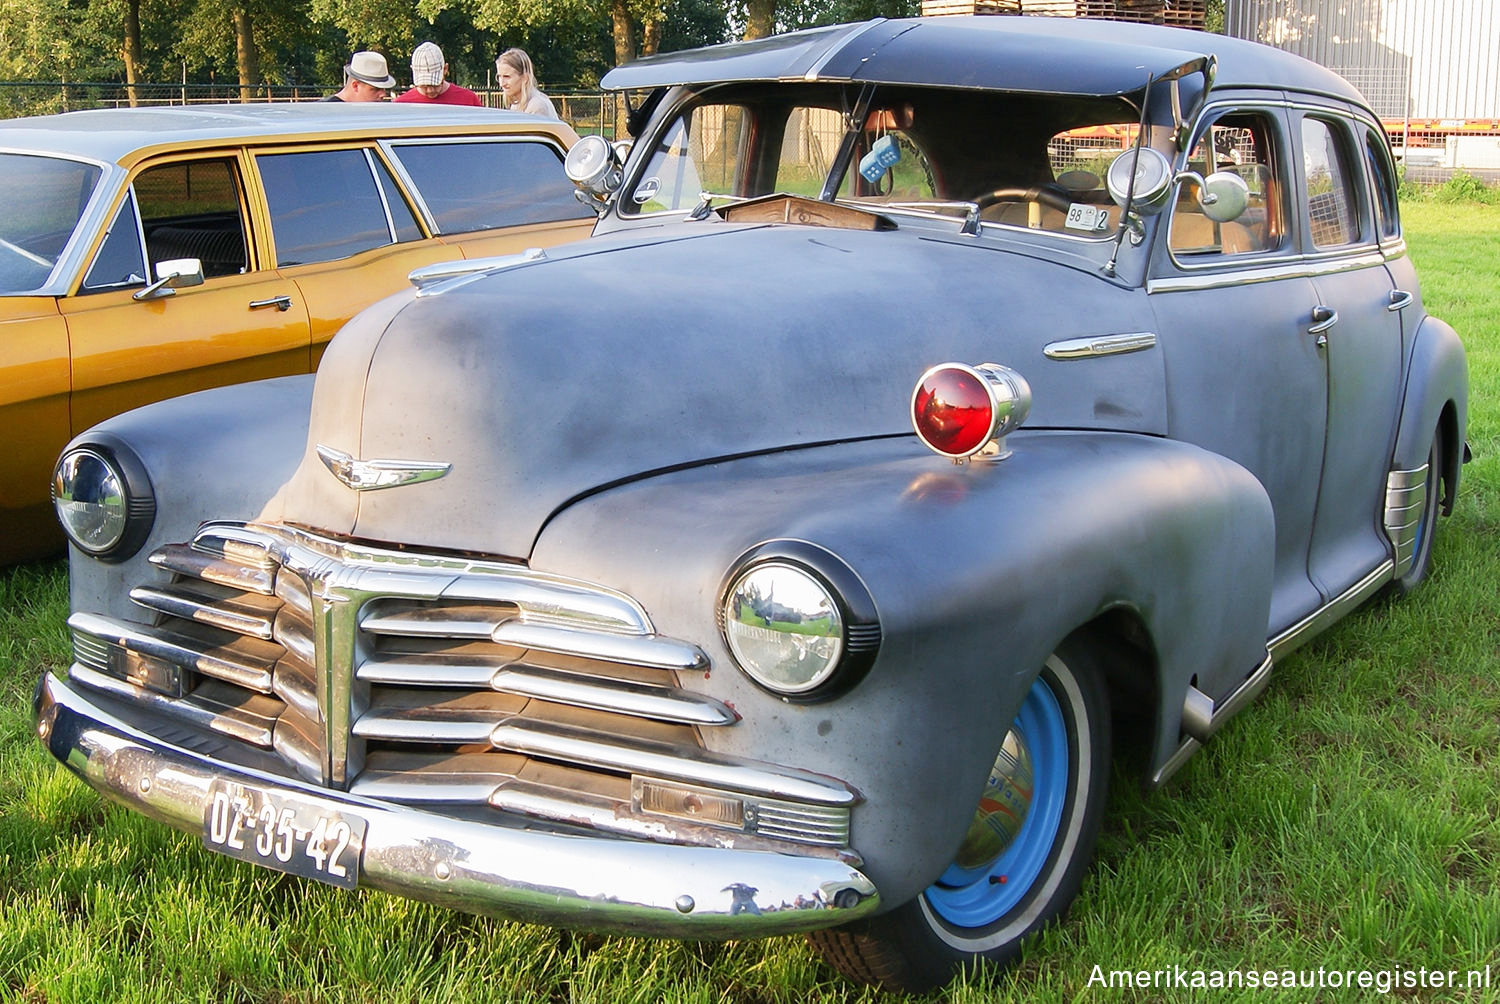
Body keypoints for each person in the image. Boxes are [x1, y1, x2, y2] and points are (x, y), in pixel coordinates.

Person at [395, 42, 481, 106]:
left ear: (445, 69)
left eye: (435, 84)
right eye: (424, 86)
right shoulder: (401, 105)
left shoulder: (468, 100)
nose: (430, 90)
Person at [495, 48, 558, 119]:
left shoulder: (537, 106)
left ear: (525, 78)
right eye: (499, 76)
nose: (501, 84)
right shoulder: (516, 106)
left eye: (507, 77)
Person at [323, 51, 394, 102]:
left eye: (383, 89)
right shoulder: (324, 112)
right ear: (355, 86)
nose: (383, 94)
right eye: (375, 89)